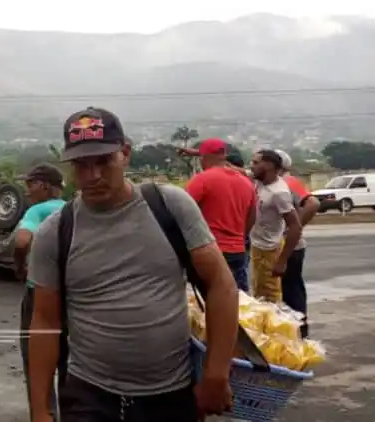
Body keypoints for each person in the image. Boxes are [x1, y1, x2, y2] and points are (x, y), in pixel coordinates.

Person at [27, 107, 238, 422]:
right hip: (90, 397)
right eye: (82, 165)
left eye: (103, 161)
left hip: (172, 397)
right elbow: (44, 322)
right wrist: (40, 409)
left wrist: (217, 373)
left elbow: (221, 284)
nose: (93, 175)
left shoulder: (169, 205)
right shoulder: (55, 232)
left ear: (125, 153)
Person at [12, 163, 65, 409]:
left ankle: (45, 412)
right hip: (72, 294)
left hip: (39, 292)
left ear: (44, 186)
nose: (27, 190)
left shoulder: (37, 211)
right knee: (68, 359)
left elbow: (22, 241)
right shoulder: (72, 210)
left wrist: (19, 265)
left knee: (35, 358)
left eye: (30, 184)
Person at [184, 138, 257, 292]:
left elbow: (182, 210)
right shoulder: (246, 182)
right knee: (238, 298)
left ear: (203, 158)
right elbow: (251, 217)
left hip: (211, 250)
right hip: (238, 251)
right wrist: (241, 236)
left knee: (210, 298)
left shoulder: (202, 180)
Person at [275, 150, 320, 338]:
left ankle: (298, 329)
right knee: (290, 287)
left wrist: (295, 227)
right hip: (286, 244)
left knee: (291, 289)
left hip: (290, 245)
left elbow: (313, 203)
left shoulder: (288, 182)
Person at [249, 150, 303, 304]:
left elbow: (295, 226)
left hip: (269, 249)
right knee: (259, 294)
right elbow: (233, 169)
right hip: (257, 246)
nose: (251, 166)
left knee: (270, 297)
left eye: (256, 163)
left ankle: (278, 327)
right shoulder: (260, 180)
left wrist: (282, 261)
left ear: (270, 165)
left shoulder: (279, 193)